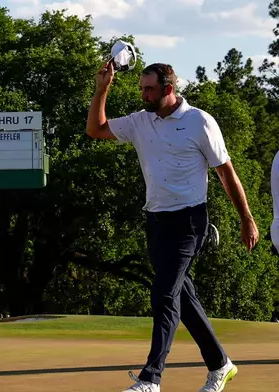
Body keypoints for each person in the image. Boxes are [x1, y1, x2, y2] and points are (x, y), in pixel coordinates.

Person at [86, 60, 259, 392]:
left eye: (149, 89)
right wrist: (101, 89)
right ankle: (221, 364)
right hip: (156, 220)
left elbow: (226, 173)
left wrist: (246, 219)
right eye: (141, 88)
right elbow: (96, 129)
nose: (143, 94)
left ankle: (152, 378)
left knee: (164, 294)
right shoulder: (140, 121)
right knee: (182, 294)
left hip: (190, 221)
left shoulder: (199, 122)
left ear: (168, 89)